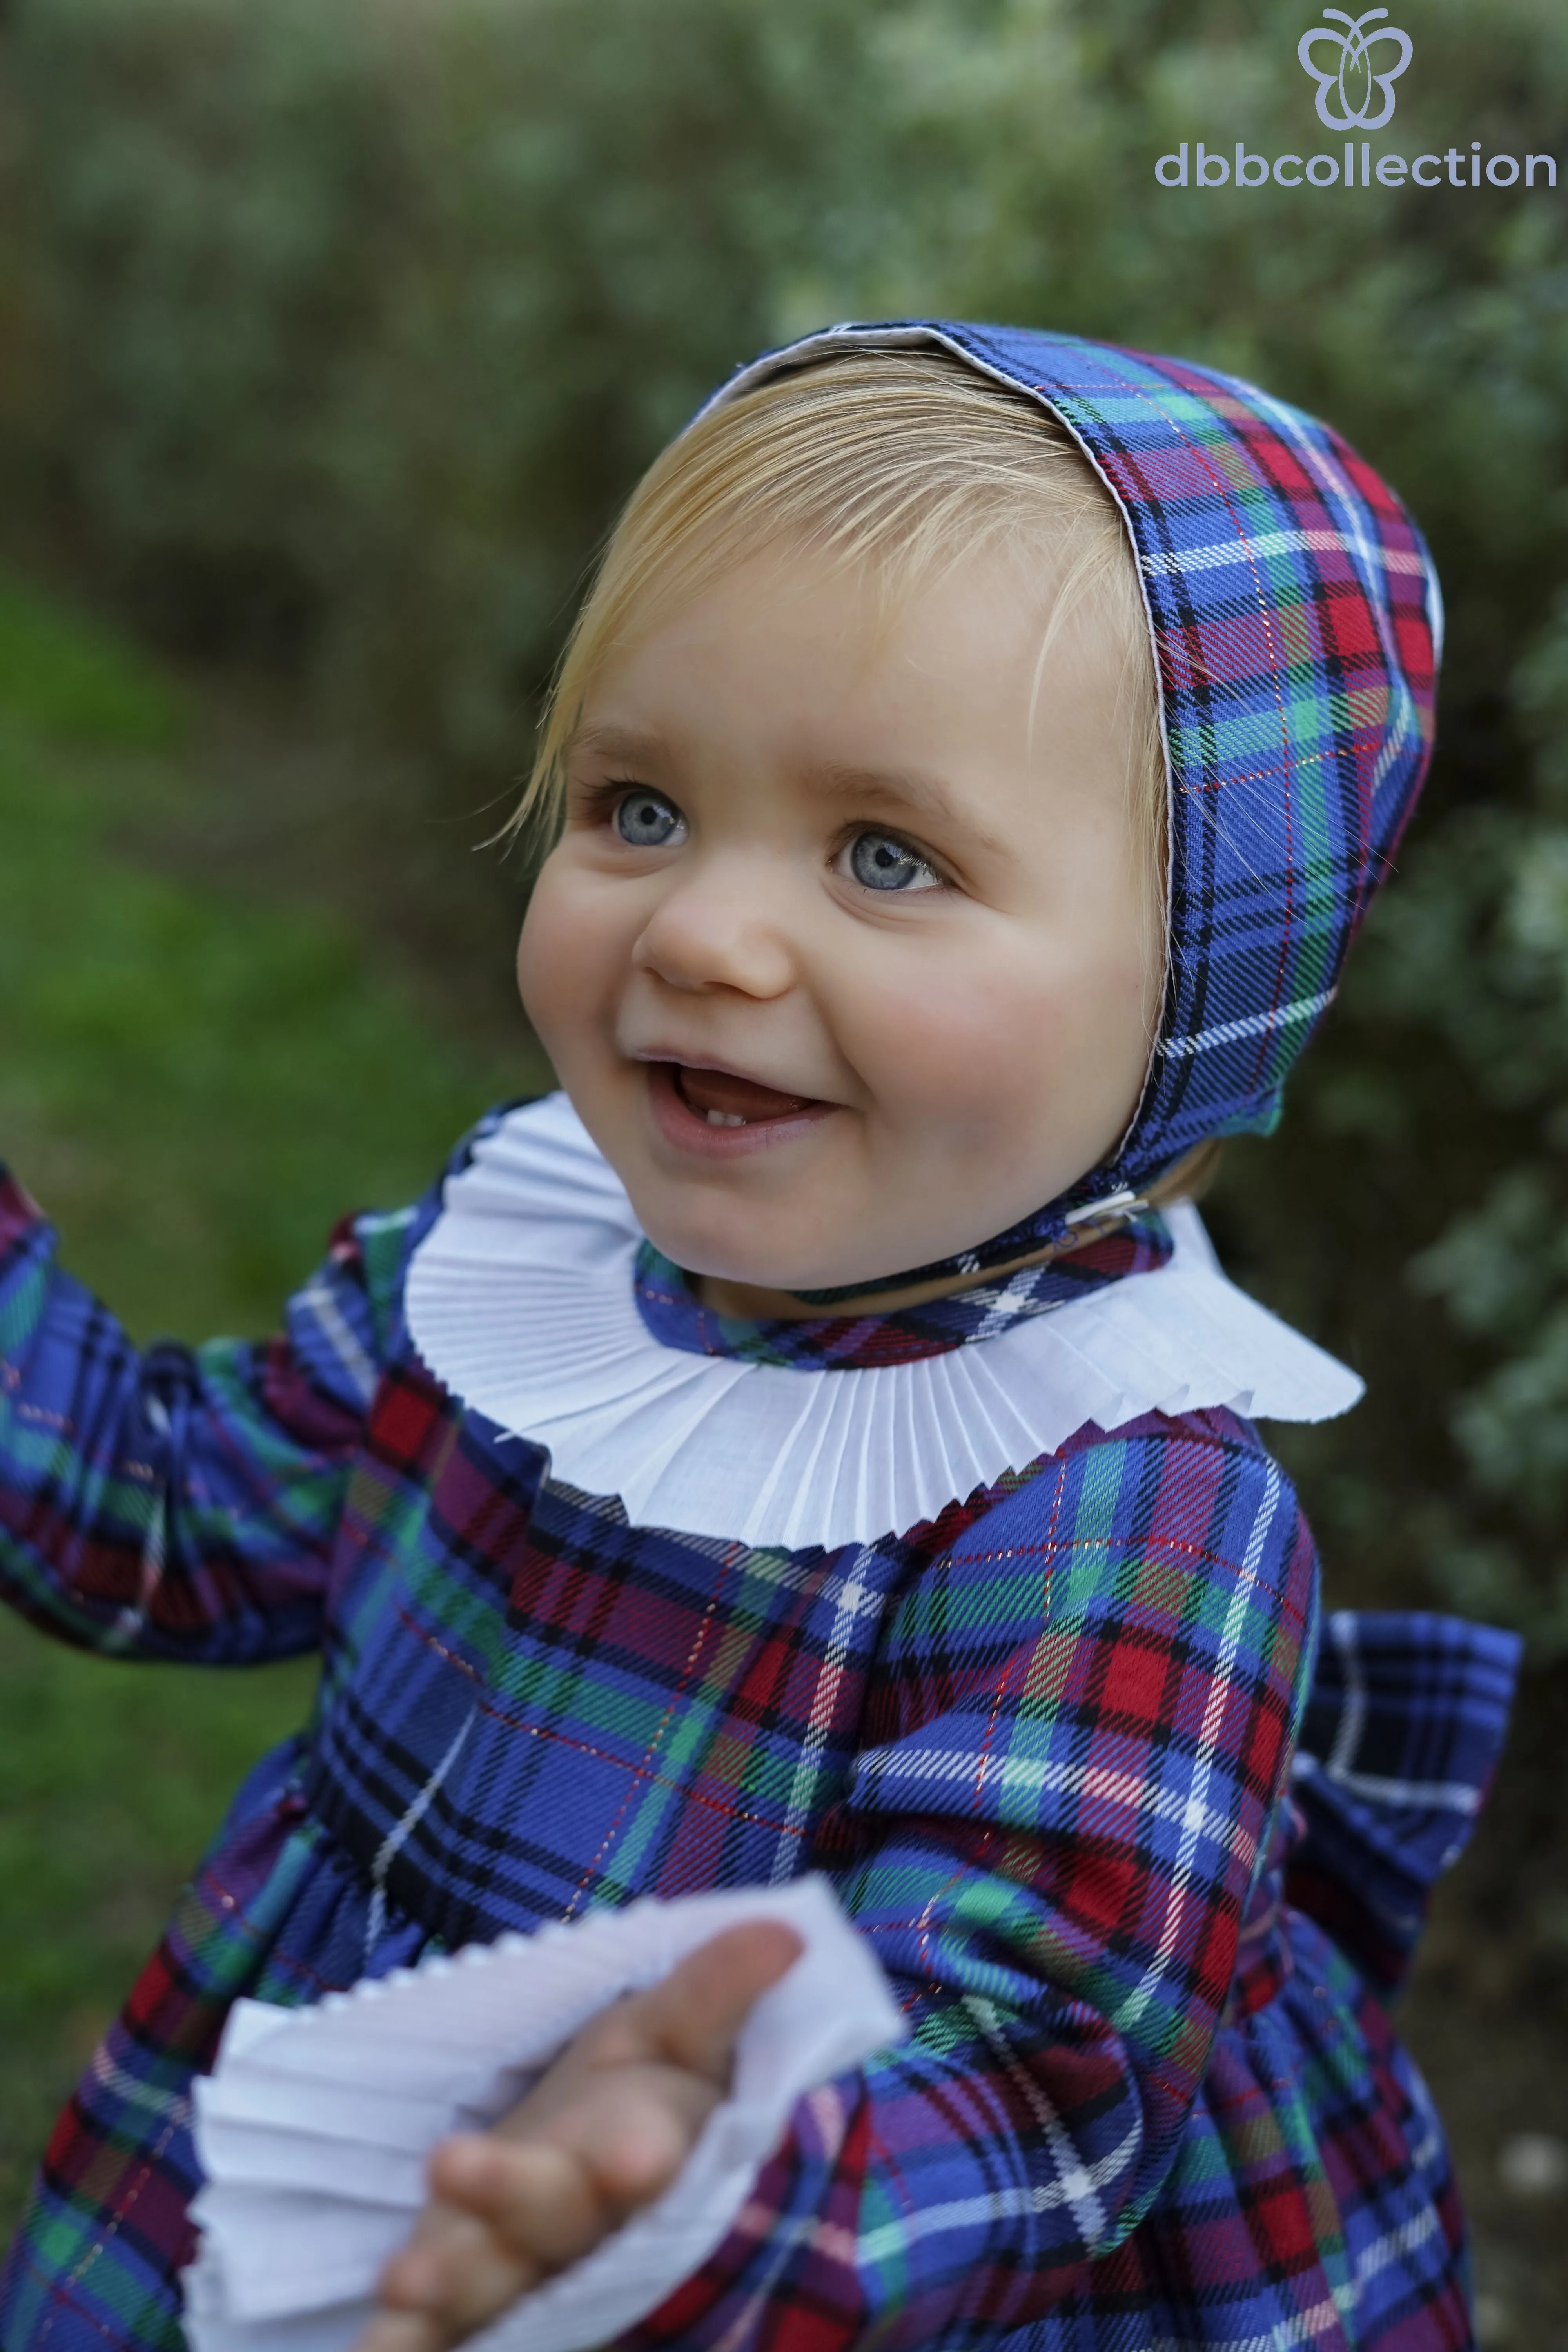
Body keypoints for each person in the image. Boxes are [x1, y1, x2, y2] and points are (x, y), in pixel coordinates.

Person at [0, 320, 1522, 2352]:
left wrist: (696, 2203)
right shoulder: (518, 1252)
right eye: (635, 805)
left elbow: (1027, 2082)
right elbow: (169, 1520)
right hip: (368, 2153)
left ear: (1203, 984)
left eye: (886, 856)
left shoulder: (1118, 1502)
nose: (705, 934)